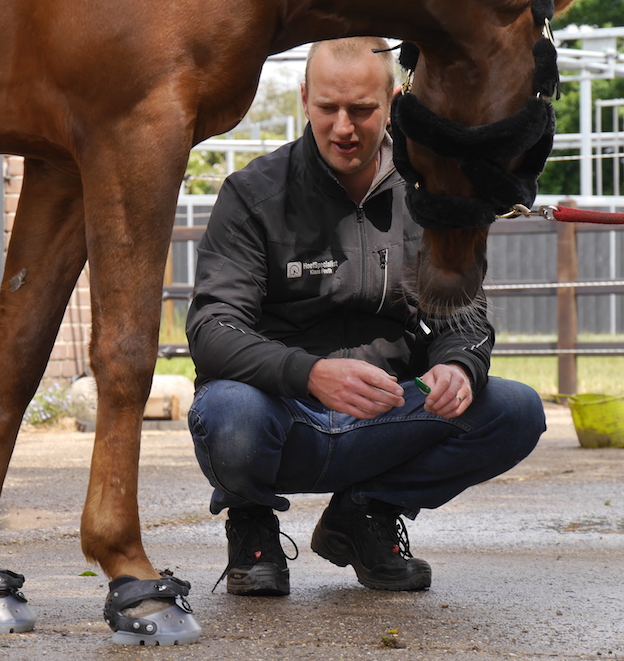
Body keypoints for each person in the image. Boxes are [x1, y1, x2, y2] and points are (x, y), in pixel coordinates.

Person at [185, 37, 546, 597]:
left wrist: (458, 365)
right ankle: (252, 521)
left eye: (362, 110)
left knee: (516, 410)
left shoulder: (427, 193)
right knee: (228, 410)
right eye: (328, 108)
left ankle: (367, 514)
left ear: (395, 101)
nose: (343, 127)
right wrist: (309, 373)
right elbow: (211, 330)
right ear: (305, 98)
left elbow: (464, 315)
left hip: (388, 414)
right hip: (283, 416)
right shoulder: (252, 194)